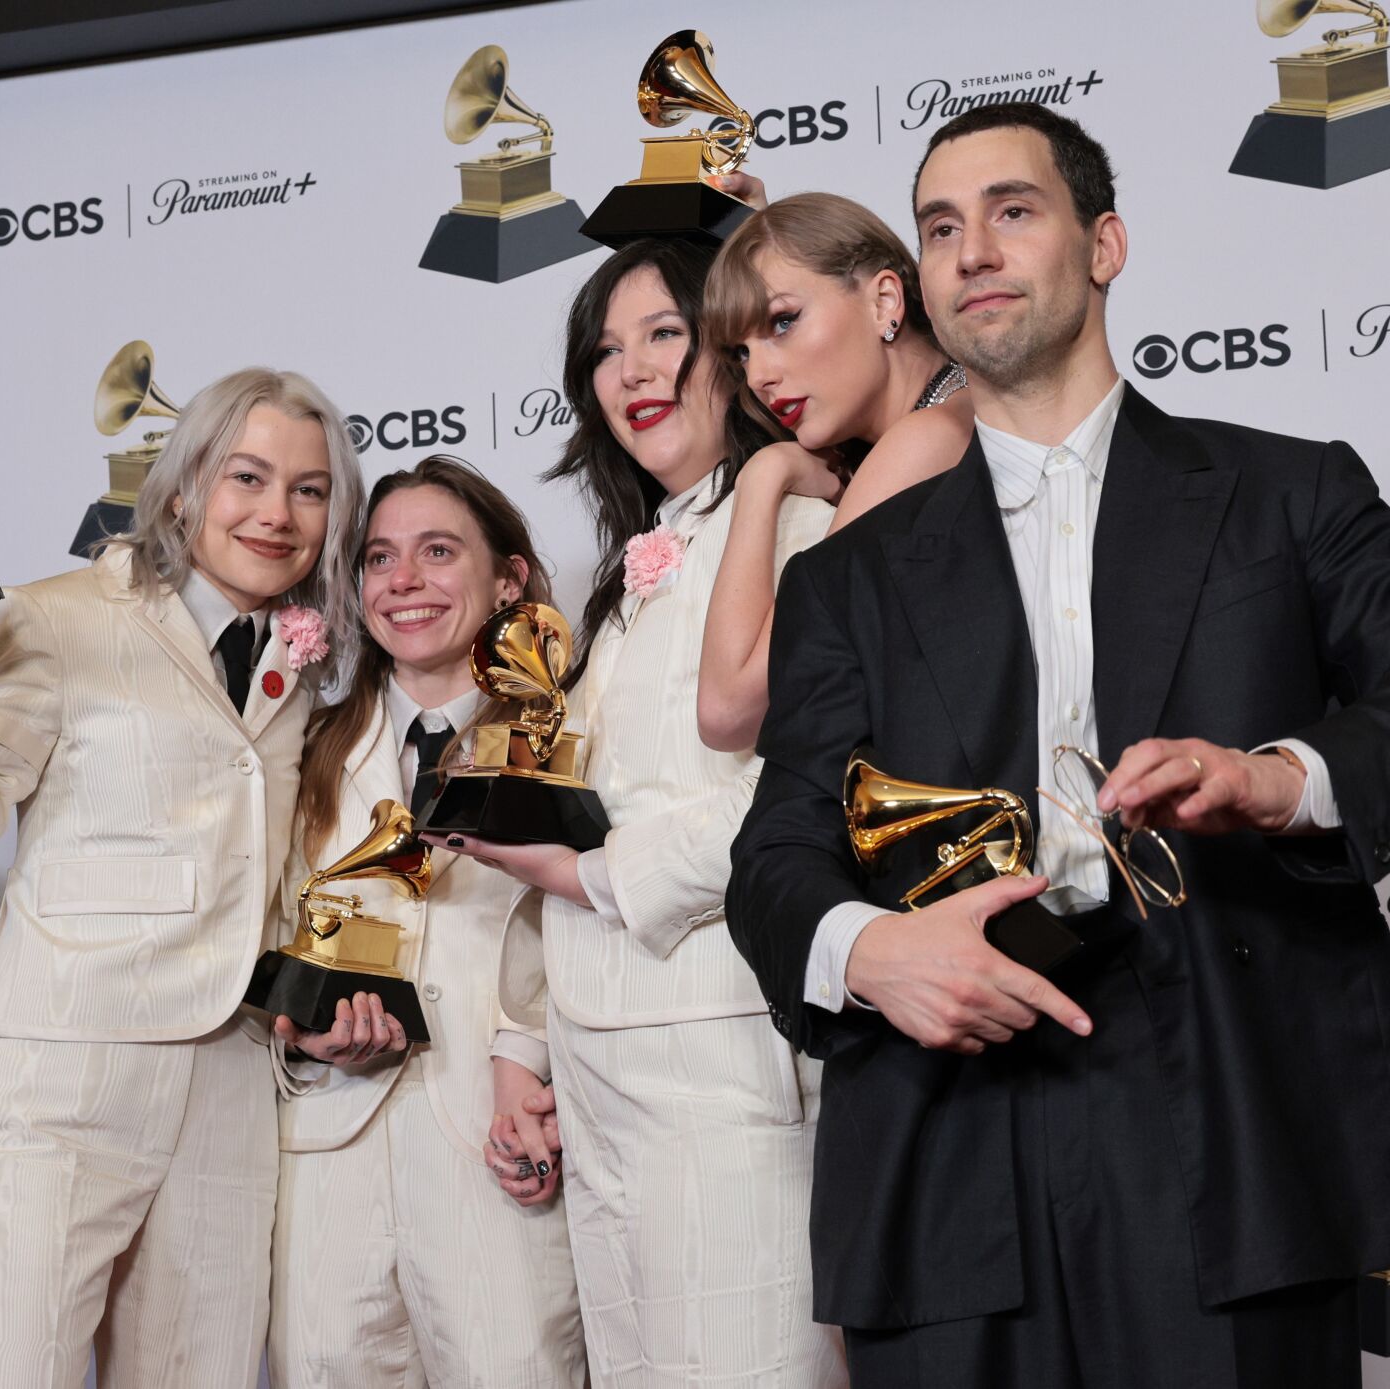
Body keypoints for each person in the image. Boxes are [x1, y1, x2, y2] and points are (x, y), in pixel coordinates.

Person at [726, 101, 1390, 1388]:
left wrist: (1283, 780)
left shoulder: (1288, 489)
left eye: (1012, 211)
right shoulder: (849, 579)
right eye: (941, 227)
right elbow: (773, 859)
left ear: (1104, 244)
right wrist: (874, 951)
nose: (972, 250)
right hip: (946, 1141)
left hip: (1234, 1118)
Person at [0, 367, 363, 1389]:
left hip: (230, 1093)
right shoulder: (60, 619)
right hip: (59, 1088)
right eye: (248, 477)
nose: (278, 513)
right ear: (186, 484)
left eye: (310, 489)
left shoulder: (309, 661)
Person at [443, 236, 847, 1387]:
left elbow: (795, 793)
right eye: (604, 352)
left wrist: (586, 876)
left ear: (728, 347)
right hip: (600, 1068)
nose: (631, 372)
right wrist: (525, 1047)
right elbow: (581, 807)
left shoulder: (802, 531)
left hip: (726, 1057)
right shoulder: (626, 577)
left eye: (661, 334)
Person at [266, 455, 585, 1387]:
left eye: (438, 551)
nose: (402, 582)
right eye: (377, 558)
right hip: (326, 1173)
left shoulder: (564, 733)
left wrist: (530, 1059)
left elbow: (594, 925)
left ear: (508, 578)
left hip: (500, 1155)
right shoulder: (304, 749)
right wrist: (304, 1040)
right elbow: (267, 949)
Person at [696, 192, 974, 752]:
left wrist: (763, 477)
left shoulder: (926, 440)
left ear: (885, 300)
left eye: (783, 322)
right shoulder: (950, 414)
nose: (760, 377)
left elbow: (727, 712)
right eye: (742, 353)